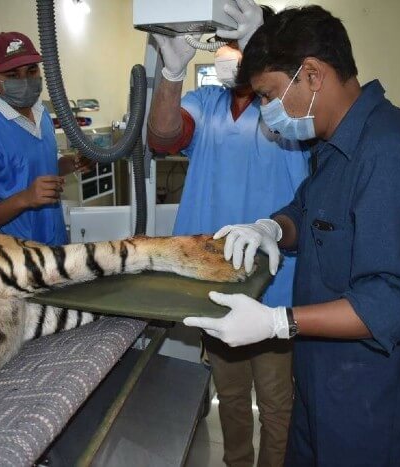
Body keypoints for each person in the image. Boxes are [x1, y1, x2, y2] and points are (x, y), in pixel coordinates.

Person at [184, 6, 400, 466]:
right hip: (321, 384)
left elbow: (394, 301)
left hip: (370, 399)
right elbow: (306, 208)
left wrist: (278, 323)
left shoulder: (389, 155)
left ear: (312, 74)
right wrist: (272, 227)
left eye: (270, 95)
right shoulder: (333, 144)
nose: (269, 116)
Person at [148, 2, 310, 465]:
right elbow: (163, 136)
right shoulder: (207, 103)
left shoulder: (286, 109)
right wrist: (172, 72)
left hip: (276, 280)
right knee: (231, 396)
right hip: (215, 276)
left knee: (277, 403)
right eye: (222, 43)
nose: (228, 53)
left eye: (239, 43)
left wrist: (271, 50)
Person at [0, 32, 94, 245]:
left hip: (55, 242)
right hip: (15, 252)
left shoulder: (42, 113)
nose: (25, 81)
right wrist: (25, 199)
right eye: (12, 75)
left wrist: (73, 162)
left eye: (31, 71)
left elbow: (44, 161)